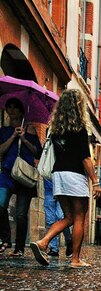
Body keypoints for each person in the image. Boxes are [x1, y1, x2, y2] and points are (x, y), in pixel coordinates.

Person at [30, 89, 101, 268]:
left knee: (68, 216)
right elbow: (85, 158)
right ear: (79, 106)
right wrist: (96, 182)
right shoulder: (79, 130)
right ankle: (75, 259)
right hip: (74, 176)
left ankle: (43, 242)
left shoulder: (55, 130)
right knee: (79, 217)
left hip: (58, 175)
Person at [0, 97, 42, 257]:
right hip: (7, 174)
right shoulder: (3, 131)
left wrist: (24, 138)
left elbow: (38, 152)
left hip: (24, 175)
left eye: (15, 107)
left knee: (20, 214)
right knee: (0, 205)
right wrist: (12, 137)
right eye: (8, 107)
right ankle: (5, 239)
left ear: (21, 111)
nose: (11, 110)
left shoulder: (30, 130)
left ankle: (19, 248)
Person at [43, 178, 73, 258]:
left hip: (62, 191)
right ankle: (54, 249)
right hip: (49, 190)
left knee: (61, 217)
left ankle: (69, 242)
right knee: (50, 220)